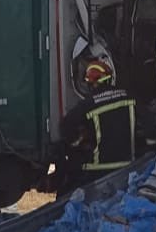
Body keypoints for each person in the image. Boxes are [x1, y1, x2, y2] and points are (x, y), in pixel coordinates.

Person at [49, 59, 136, 195]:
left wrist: (78, 141)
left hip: (96, 170)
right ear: (110, 79)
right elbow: (149, 128)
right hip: (128, 167)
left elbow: (66, 126)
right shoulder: (130, 98)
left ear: (89, 85)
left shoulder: (88, 105)